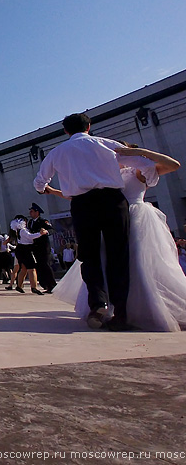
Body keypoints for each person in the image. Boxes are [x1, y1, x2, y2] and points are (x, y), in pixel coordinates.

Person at [33, 113, 156, 331]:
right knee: (118, 254)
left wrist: (43, 189)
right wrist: (148, 180)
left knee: (89, 256)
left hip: (83, 204)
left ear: (65, 131)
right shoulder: (106, 144)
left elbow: (40, 182)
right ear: (89, 126)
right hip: (113, 200)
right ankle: (121, 312)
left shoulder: (57, 152)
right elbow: (144, 163)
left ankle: (97, 303)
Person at [53, 146, 186, 331]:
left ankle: (138, 311)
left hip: (135, 218)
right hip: (112, 219)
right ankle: (108, 308)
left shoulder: (138, 171)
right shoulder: (107, 176)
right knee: (108, 262)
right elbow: (79, 195)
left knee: (138, 264)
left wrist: (141, 153)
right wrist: (52, 191)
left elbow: (173, 165)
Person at [10, 215, 47, 295]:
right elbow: (30, 237)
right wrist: (40, 233)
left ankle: (19, 286)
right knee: (32, 269)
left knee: (23, 268)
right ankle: (34, 287)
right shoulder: (23, 230)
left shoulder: (18, 231)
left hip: (20, 249)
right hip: (26, 250)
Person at [28, 203, 56, 293]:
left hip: (43, 248)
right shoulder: (30, 222)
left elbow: (52, 230)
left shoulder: (43, 221)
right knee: (39, 266)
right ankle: (45, 284)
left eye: (32, 211)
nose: (30, 213)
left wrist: (46, 231)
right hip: (35, 248)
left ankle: (52, 285)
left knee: (46, 265)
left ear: (37, 212)